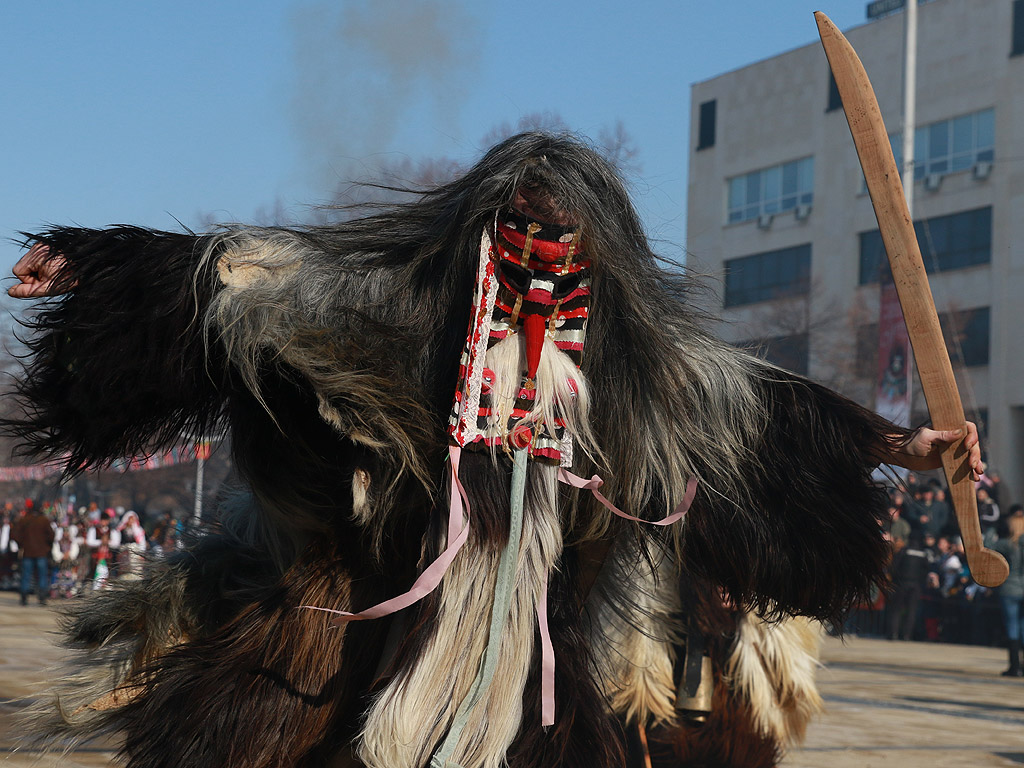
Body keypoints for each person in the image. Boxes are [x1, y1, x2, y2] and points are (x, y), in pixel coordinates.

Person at [5, 133, 983, 768]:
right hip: (346, 610)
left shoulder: (644, 366)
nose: (537, 261)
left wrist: (899, 441)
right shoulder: (401, 306)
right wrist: (95, 259)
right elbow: (240, 275)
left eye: (562, 243)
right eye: (517, 235)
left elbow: (770, 412)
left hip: (536, 653)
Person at [993, 507, 1024, 677]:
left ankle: (1014, 666)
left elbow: (989, 547)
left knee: (1012, 626)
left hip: (1010, 587)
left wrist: (992, 529)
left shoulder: (1006, 543)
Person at [11, 499, 55, 606]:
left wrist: (22, 544)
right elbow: (51, 536)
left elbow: (14, 534)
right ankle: (42, 598)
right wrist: (47, 547)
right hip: (41, 552)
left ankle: (24, 598)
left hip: (27, 552)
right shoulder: (44, 520)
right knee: (42, 576)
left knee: (26, 575)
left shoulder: (24, 520)